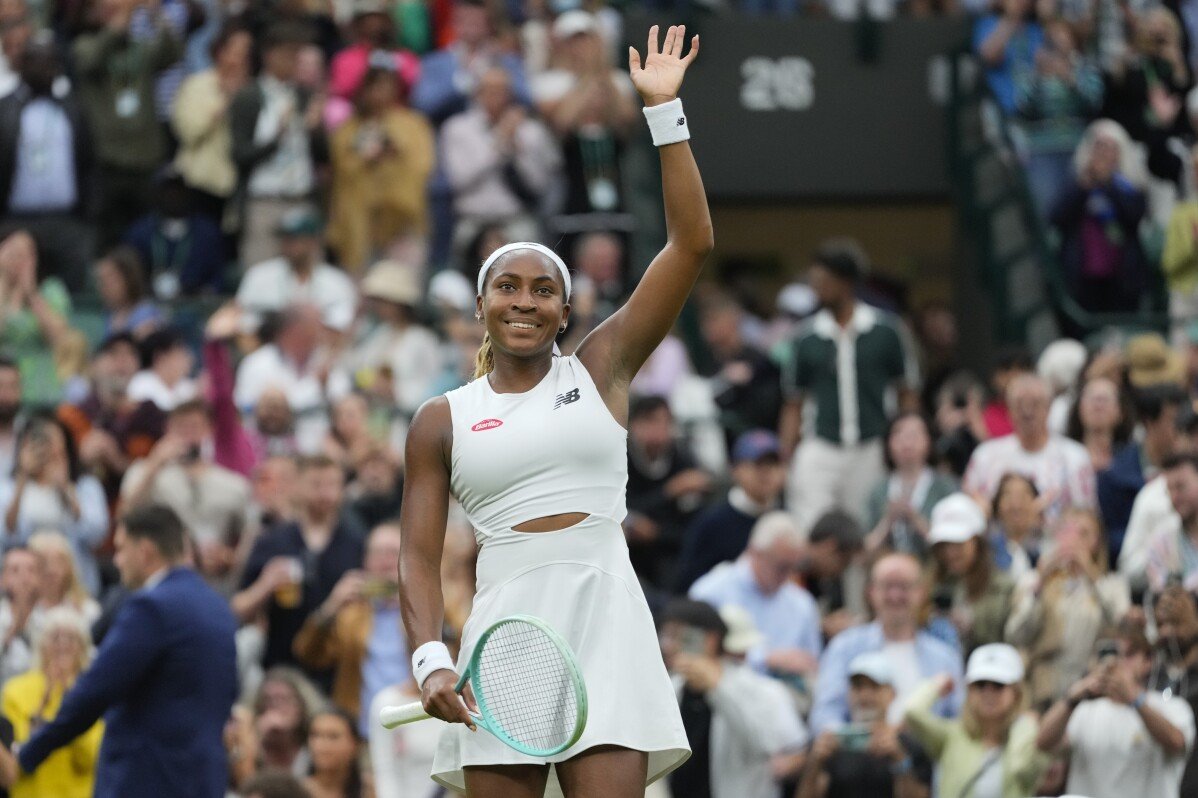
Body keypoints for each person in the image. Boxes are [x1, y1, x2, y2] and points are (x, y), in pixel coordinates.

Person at [400, 23, 708, 797]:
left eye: (544, 290)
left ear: (566, 311)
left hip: (607, 618)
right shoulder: (441, 417)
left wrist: (664, 114)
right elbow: (416, 555)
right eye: (509, 286)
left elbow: (691, 244)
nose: (525, 301)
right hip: (504, 634)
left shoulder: (602, 367)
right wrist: (431, 657)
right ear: (480, 304)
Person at [12, 504, 238, 798]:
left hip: (145, 782)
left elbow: (95, 690)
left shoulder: (152, 607)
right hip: (204, 782)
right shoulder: (218, 608)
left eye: (120, 549)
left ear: (144, 551)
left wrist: (29, 753)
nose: (117, 561)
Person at [781, 238, 920, 532]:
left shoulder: (886, 331)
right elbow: (794, 403)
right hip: (819, 445)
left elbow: (906, 393)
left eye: (823, 280)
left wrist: (903, 445)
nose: (817, 288)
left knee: (865, 530)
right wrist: (787, 457)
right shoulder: (806, 337)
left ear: (846, 283)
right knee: (809, 529)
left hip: (871, 447)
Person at [659, 600, 807, 798]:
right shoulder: (670, 688)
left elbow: (763, 744)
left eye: (678, 636)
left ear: (710, 640)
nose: (669, 645)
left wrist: (717, 689)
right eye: (666, 636)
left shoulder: (756, 689)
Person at [234, 455, 366, 673]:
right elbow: (238, 609)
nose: (326, 494)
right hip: (280, 665)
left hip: (336, 666)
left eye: (333, 485)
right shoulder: (274, 540)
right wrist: (266, 585)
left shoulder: (356, 541)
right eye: (316, 485)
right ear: (298, 486)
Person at [811, 553, 963, 734]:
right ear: (871, 592)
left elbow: (959, 720)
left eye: (904, 587)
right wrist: (854, 739)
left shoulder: (945, 658)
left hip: (925, 755)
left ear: (921, 593)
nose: (895, 595)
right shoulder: (844, 648)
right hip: (860, 753)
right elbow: (824, 714)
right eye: (887, 586)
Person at [72, 0, 182, 248]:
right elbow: (89, 61)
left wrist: (156, 16)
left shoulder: (140, 49)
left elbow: (172, 53)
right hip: (107, 161)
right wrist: (115, 27)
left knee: (144, 233)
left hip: (143, 160)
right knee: (102, 234)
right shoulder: (85, 45)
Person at [1036, 627, 1195, 798]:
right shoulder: (1084, 710)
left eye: (1128, 654)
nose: (1116, 662)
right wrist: (1072, 698)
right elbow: (1043, 743)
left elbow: (1177, 743)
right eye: (1110, 653)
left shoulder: (1171, 706)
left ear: (1148, 662)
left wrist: (1133, 697)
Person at [1005, 508, 1130, 710]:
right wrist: (1041, 583)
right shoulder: (1033, 580)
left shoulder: (1112, 584)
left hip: (1092, 686)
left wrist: (1091, 573)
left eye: (1084, 533)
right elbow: (1015, 635)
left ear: (1097, 541)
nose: (1074, 540)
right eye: (1067, 531)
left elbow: (1121, 626)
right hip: (1041, 689)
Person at [119, 399, 252, 586]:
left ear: (208, 429)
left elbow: (253, 532)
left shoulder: (233, 484)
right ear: (168, 429)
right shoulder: (144, 471)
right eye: (180, 427)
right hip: (161, 578)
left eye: (194, 427)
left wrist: (230, 557)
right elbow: (126, 513)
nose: (187, 435)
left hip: (214, 581)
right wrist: (155, 464)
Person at [0, 34, 94, 293]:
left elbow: (88, 165)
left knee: (73, 295)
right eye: (37, 61)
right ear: (22, 65)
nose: (45, 68)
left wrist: (85, 216)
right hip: (14, 221)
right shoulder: (4, 110)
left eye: (50, 62)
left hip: (66, 223)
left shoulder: (73, 110)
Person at [230, 21, 327, 268]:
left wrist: (316, 132)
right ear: (269, 55)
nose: (295, 61)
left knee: (308, 276)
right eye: (290, 54)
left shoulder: (304, 95)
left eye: (298, 54)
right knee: (260, 272)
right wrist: (276, 139)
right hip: (264, 200)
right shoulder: (249, 97)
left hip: (300, 197)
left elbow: (321, 156)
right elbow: (239, 154)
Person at [292, 522, 406, 731]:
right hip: (361, 730)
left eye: (392, 553)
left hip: (413, 728)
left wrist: (410, 596)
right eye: (378, 553)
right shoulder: (350, 613)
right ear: (366, 562)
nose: (385, 561)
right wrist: (330, 607)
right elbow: (307, 654)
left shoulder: (426, 607)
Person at [327, 62, 435, 274]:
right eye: (375, 86)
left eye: (388, 86)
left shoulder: (413, 125)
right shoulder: (348, 129)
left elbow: (424, 165)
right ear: (364, 89)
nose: (381, 93)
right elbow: (341, 168)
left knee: (402, 285)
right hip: (359, 223)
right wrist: (365, 159)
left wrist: (394, 151)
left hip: (402, 219)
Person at [689, 511, 822, 682]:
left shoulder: (802, 604)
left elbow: (813, 665)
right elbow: (694, 658)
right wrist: (766, 659)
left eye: (794, 567)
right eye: (782, 567)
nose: (788, 575)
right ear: (755, 553)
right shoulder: (710, 592)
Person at [905, 644, 1050, 798]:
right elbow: (912, 712)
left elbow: (1021, 767)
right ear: (969, 690)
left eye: (998, 685)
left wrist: (1024, 725)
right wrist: (936, 684)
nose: (988, 692)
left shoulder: (1025, 736)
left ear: (1016, 692)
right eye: (980, 684)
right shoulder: (952, 736)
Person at [440, 65, 562, 245]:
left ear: (511, 94)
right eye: (489, 90)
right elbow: (460, 181)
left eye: (501, 90)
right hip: (473, 221)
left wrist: (517, 152)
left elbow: (540, 185)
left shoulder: (530, 130)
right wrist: (498, 144)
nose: (495, 96)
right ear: (477, 93)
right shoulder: (457, 128)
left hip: (517, 220)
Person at [797, 652, 932, 798]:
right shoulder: (830, 744)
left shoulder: (910, 746)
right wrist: (816, 764)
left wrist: (899, 759)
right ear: (848, 693)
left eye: (874, 687)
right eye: (858, 687)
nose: (865, 696)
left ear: (892, 693)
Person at [1050, 120, 1150, 319]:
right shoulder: (1076, 184)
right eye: (1099, 147)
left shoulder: (1129, 187)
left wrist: (1109, 182)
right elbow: (1056, 217)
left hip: (1121, 276)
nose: (1104, 154)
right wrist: (1085, 186)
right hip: (1082, 275)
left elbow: (1133, 218)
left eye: (1111, 148)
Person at [963, 373, 1096, 522]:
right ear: (1009, 409)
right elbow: (968, 504)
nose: (1027, 411)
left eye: (1035, 403)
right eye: (1019, 404)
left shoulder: (1075, 457)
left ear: (1049, 408)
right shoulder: (985, 455)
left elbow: (1086, 516)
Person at [0, 414, 108, 595]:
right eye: (41, 444)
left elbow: (96, 534)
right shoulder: (8, 488)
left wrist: (65, 489)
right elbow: (7, 535)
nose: (48, 452)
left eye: (55, 445)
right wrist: (22, 479)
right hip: (25, 589)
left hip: (76, 586)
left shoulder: (85, 486)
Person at [0, 607, 101, 798]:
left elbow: (90, 758)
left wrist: (70, 698)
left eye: (71, 638)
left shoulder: (90, 693)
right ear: (41, 645)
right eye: (55, 637)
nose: (62, 645)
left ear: (82, 648)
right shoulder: (17, 691)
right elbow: (16, 761)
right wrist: (42, 706)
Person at [672, 429, 780, 594]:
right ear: (735, 470)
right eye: (757, 464)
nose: (766, 472)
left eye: (773, 464)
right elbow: (688, 582)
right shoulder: (712, 522)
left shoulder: (785, 518)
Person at [624, 394, 712, 590]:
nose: (659, 430)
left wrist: (657, 533)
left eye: (665, 422)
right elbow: (624, 505)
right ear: (634, 424)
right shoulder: (622, 458)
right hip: (629, 552)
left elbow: (692, 522)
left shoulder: (682, 457)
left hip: (669, 551)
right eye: (651, 421)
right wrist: (669, 491)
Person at [170, 22, 252, 227]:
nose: (240, 60)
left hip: (238, 190)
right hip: (198, 184)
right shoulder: (197, 85)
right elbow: (189, 132)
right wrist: (226, 101)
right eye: (235, 52)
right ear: (220, 53)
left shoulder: (253, 93)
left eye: (246, 54)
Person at [343, 260, 443, 420]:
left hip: (408, 422)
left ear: (399, 303)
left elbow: (434, 386)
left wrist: (395, 391)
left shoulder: (423, 340)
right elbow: (355, 367)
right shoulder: (379, 334)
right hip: (374, 418)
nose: (379, 306)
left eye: (384, 300)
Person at [235, 208, 358, 336]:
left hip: (320, 350)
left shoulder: (337, 282)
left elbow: (342, 326)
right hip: (268, 347)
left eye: (295, 239)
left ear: (313, 242)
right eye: (285, 239)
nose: (288, 245)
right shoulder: (259, 275)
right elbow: (242, 321)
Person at [1101, 382, 1185, 565]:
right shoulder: (1115, 475)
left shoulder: (1191, 469)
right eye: (1173, 420)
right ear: (1149, 423)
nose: (1180, 427)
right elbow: (1108, 536)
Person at [922, 493, 1014, 656]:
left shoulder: (1003, 586)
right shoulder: (929, 584)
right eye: (944, 545)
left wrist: (972, 625)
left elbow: (1010, 637)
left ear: (977, 542)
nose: (950, 552)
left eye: (958, 544)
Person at [0, 230, 81, 407]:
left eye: (23, 255)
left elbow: (58, 338)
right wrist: (4, 285)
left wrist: (30, 292)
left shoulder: (51, 290)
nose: (16, 260)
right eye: (11, 252)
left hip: (40, 391)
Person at [865, 412, 957, 558]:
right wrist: (888, 520)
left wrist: (914, 518)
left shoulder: (945, 486)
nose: (906, 442)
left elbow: (954, 544)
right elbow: (864, 550)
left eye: (913, 435)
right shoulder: (878, 490)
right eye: (899, 435)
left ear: (929, 441)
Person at [1147, 451, 1198, 592]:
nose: (1175, 497)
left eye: (1181, 487)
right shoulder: (1161, 542)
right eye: (1170, 489)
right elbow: (1161, 593)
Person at [27, 531, 100, 624]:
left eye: (59, 562)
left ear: (70, 567)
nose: (51, 570)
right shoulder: (16, 612)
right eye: (44, 563)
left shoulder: (88, 610)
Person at [91, 246, 163, 339]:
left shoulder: (148, 316)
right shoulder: (105, 315)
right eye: (101, 280)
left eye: (110, 279)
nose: (104, 286)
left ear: (129, 279)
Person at [1065, 376, 1132, 476]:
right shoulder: (1064, 457)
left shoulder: (1132, 459)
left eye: (1105, 400)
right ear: (1079, 408)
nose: (1098, 405)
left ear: (1120, 412)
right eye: (1092, 399)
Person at [125, 327, 196, 412]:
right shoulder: (141, 383)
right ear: (160, 357)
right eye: (180, 354)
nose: (187, 358)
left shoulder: (187, 387)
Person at [304, 707, 366, 798]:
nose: (321, 745)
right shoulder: (297, 791)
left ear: (356, 744)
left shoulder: (373, 789)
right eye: (315, 735)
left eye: (333, 736)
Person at [0, 547, 40, 686]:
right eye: (15, 570)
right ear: (2, 579)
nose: (24, 577)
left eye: (31, 570)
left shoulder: (52, 620)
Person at [987, 473, 1039, 576]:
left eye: (1023, 496)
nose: (1016, 505)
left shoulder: (1049, 547)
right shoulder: (986, 552)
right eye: (1008, 496)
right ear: (997, 506)